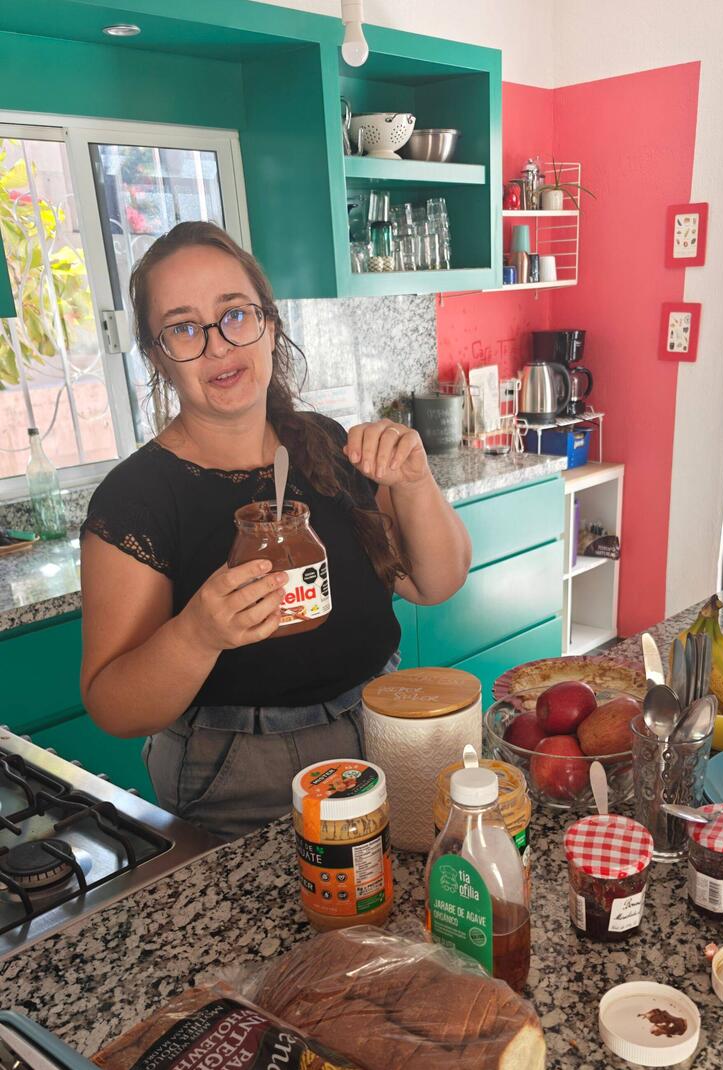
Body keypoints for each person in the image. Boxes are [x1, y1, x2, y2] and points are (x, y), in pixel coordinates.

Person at [80, 222, 471, 839]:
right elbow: (113, 706)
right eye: (183, 328)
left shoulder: (327, 445)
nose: (217, 345)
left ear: (269, 323)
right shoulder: (137, 500)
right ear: (157, 355)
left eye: (235, 314)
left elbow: (435, 582)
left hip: (387, 730)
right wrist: (196, 635)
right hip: (240, 770)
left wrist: (416, 483)